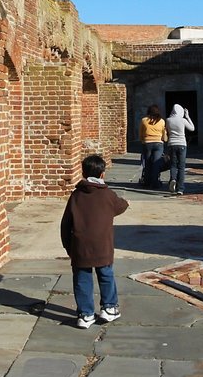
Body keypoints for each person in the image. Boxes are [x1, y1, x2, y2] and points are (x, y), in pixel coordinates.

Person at [60, 154, 130, 329]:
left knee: (82, 279)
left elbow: (65, 224)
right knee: (106, 275)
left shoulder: (76, 196)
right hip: (103, 247)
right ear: (102, 174)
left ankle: (85, 314)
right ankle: (109, 307)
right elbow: (122, 206)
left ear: (83, 173)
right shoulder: (107, 195)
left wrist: (69, 247)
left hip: (80, 247)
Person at [165, 104, 195, 195]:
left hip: (171, 144)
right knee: (181, 167)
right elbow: (192, 128)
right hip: (182, 144)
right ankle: (180, 189)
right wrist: (187, 116)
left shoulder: (168, 120)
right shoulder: (183, 120)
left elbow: (166, 131)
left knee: (173, 165)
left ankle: (173, 179)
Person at [138, 104, 167, 189]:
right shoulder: (161, 121)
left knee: (147, 163)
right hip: (158, 143)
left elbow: (140, 133)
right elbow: (163, 133)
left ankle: (147, 181)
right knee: (156, 163)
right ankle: (155, 182)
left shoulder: (144, 120)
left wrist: (143, 141)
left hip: (147, 143)